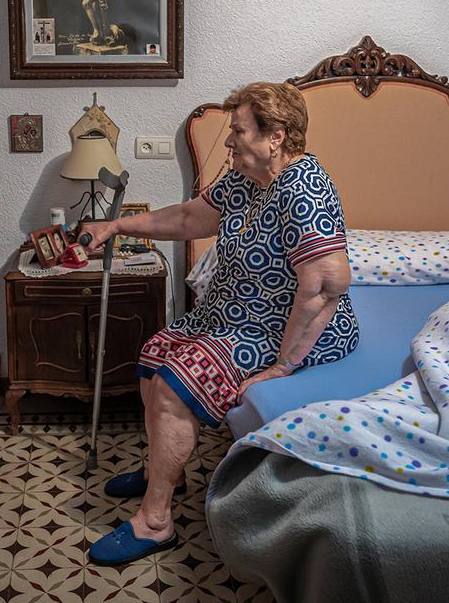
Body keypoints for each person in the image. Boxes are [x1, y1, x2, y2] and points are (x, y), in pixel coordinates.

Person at [79, 81, 358, 565]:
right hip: (229, 314)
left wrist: (283, 366)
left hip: (272, 328)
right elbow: (188, 219)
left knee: (172, 385)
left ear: (277, 136)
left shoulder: (305, 188)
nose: (228, 141)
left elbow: (326, 283)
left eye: (239, 131)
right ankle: (166, 471)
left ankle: (155, 522)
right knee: (152, 355)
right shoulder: (246, 181)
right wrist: (117, 225)